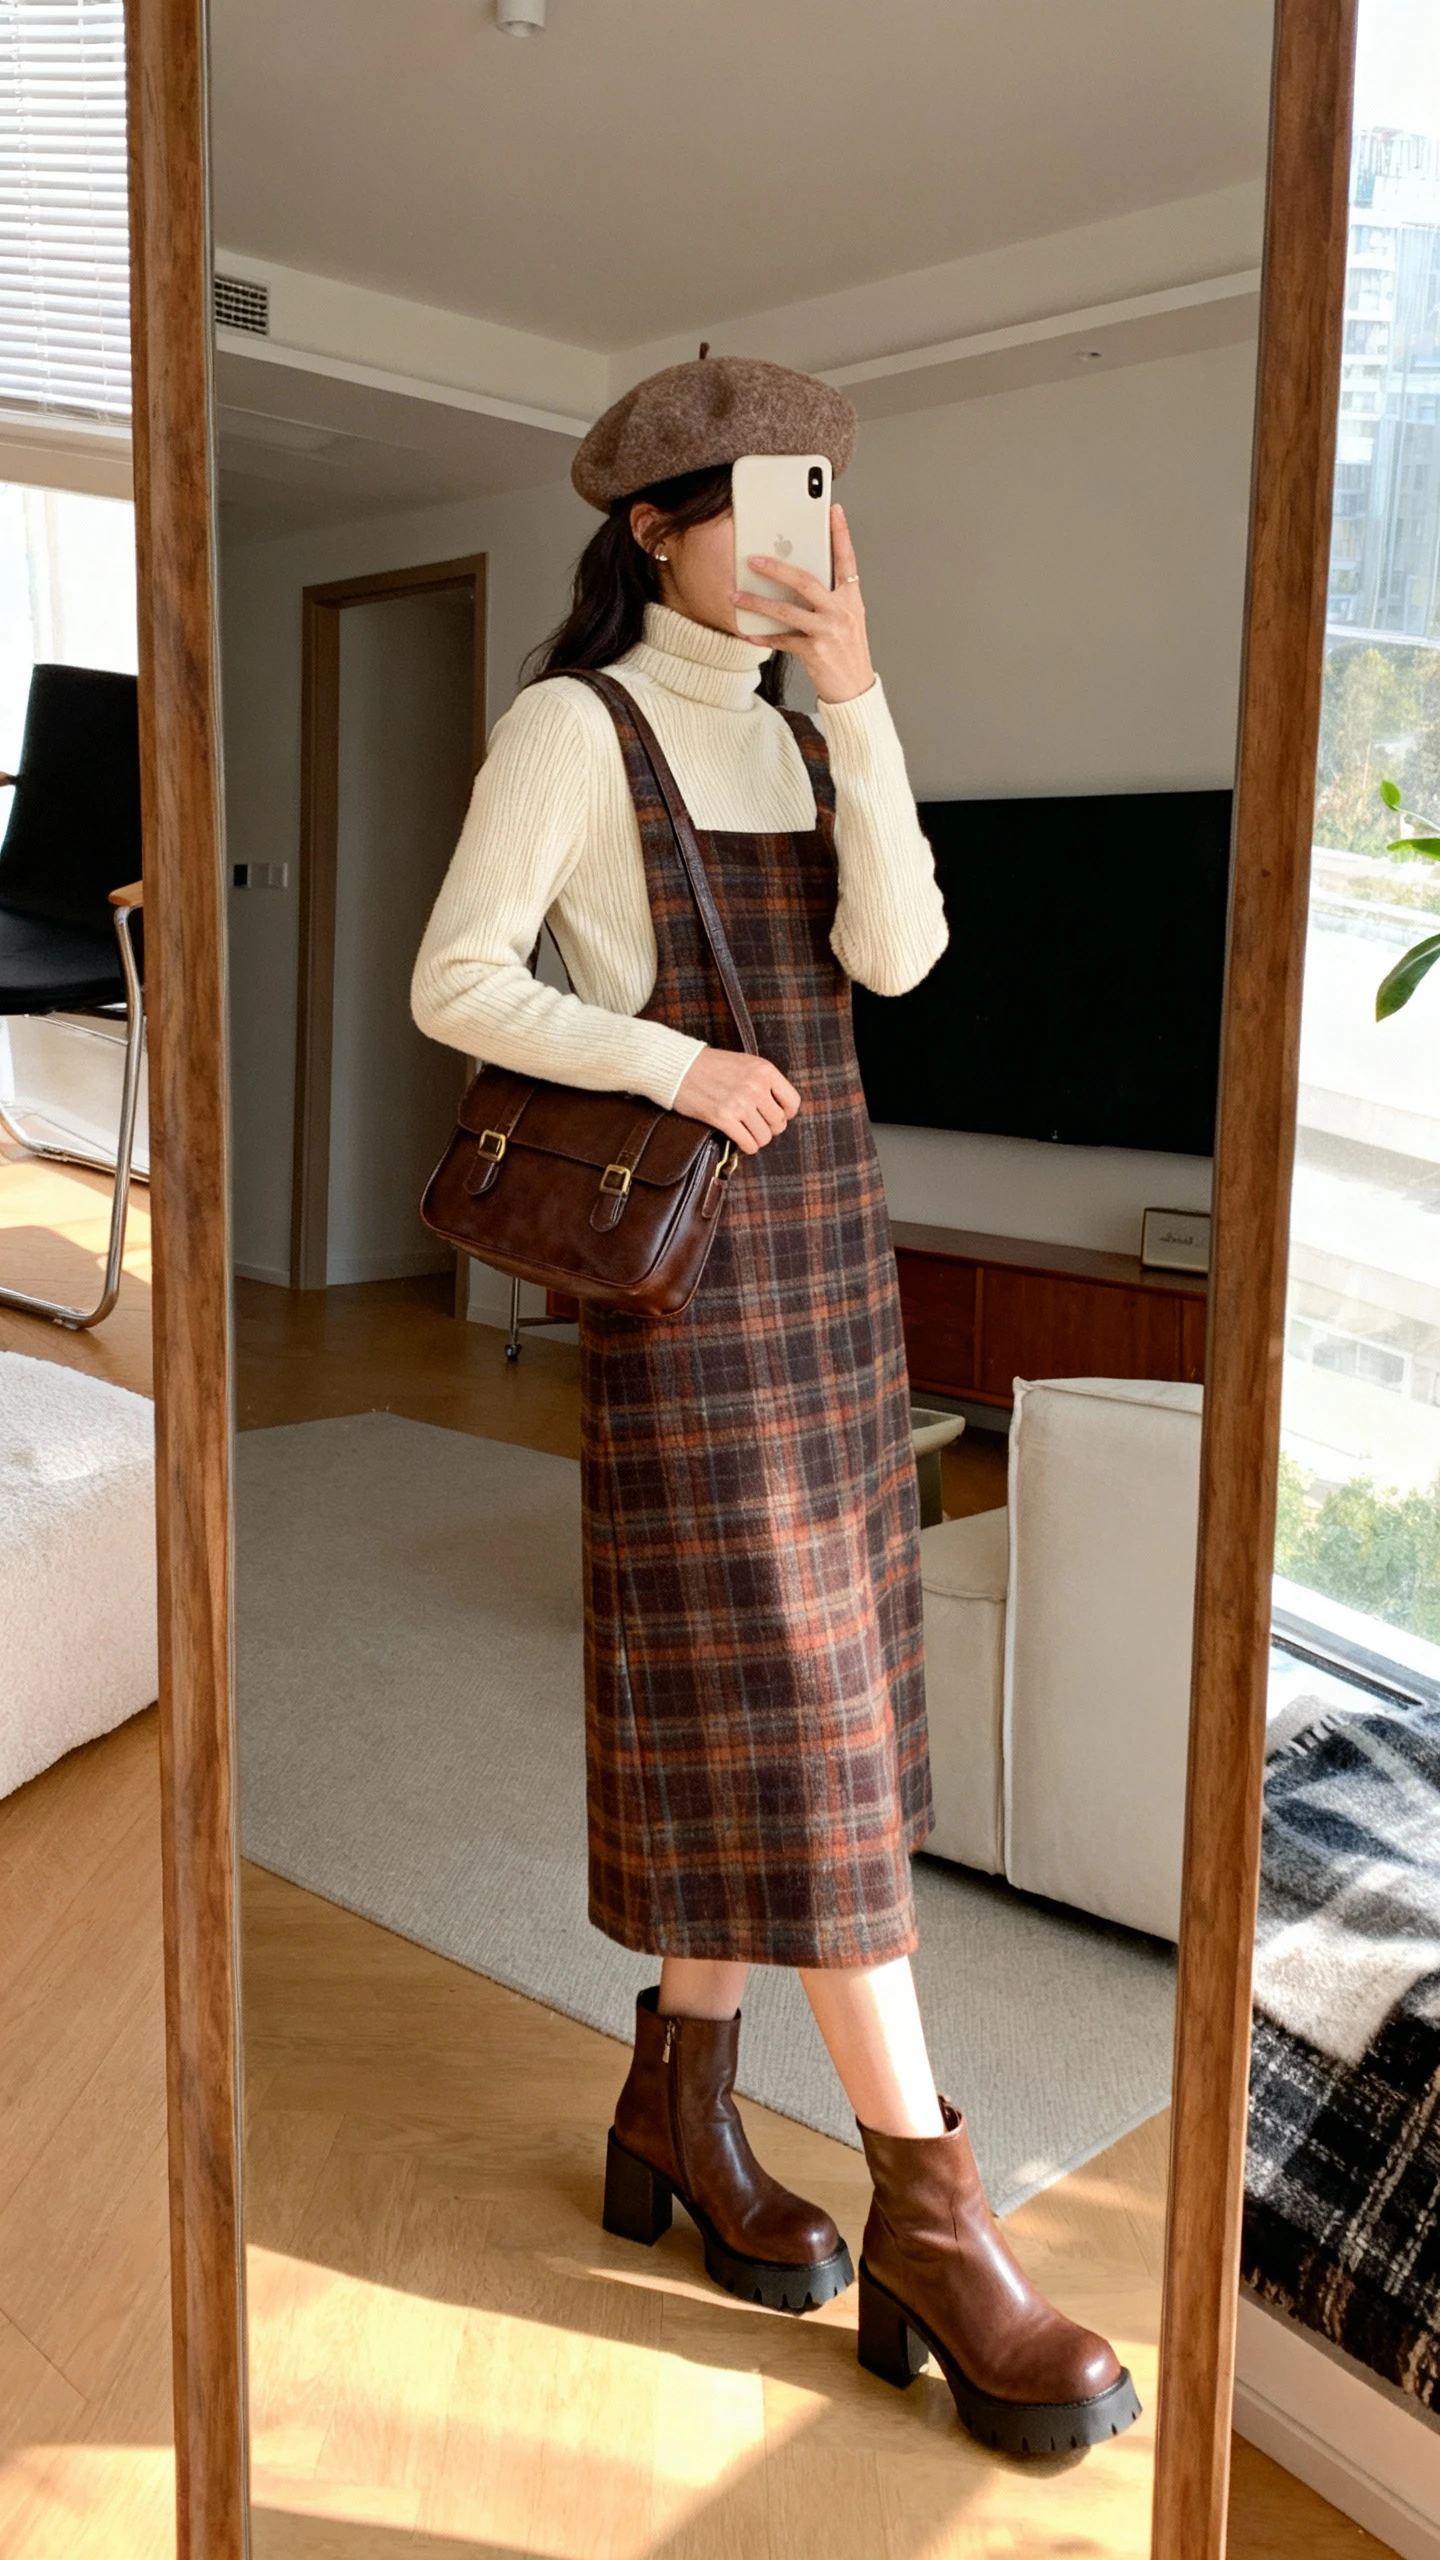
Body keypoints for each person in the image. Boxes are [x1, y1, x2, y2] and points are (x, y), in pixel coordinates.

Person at [412, 353, 1136, 2454]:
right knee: (812, 1719)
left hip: (835, 1262)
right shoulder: (577, 721)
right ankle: (934, 2203)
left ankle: (677, 2097)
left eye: (828, 496)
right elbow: (457, 976)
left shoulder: (807, 720)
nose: (808, 533)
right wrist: (668, 1063)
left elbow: (899, 957)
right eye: (770, 502)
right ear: (654, 525)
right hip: (691, 1273)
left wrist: (862, 692)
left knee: (798, 1694)